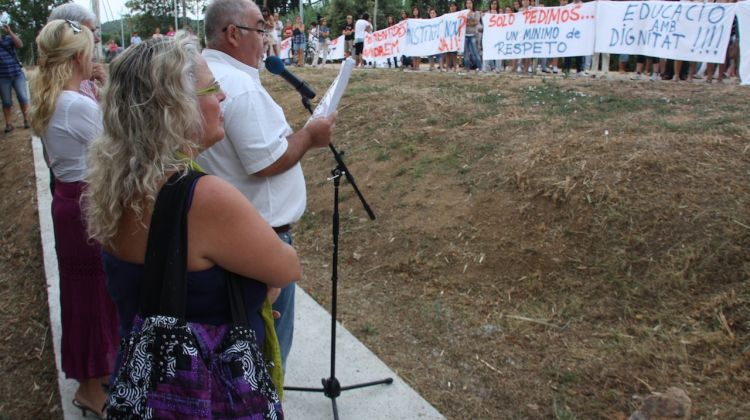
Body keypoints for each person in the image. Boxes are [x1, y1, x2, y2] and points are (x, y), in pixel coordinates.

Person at [84, 34, 299, 414]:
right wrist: (251, 288)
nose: (222, 98)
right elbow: (286, 266)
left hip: (143, 389)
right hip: (205, 398)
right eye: (212, 87)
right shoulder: (203, 198)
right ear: (175, 106)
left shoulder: (119, 183)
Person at [197, 0, 336, 372]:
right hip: (261, 238)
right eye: (260, 29)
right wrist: (310, 136)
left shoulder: (201, 74)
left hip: (227, 234)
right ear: (232, 34)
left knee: (239, 355)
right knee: (265, 357)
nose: (266, 39)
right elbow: (267, 162)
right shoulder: (239, 87)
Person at [29, 19, 119, 418]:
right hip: (87, 206)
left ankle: (93, 378)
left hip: (69, 200)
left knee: (83, 295)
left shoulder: (53, 100)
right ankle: (92, 387)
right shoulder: (77, 105)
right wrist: (108, 93)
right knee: (95, 296)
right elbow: (118, 143)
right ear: (81, 56)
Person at [48, 2, 107, 102]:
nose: (97, 39)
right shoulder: (72, 94)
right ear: (69, 35)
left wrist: (105, 81)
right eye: (90, 32)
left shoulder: (82, 81)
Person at [0, 20, 29, 133]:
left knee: (23, 97)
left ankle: (26, 120)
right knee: (6, 101)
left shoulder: (8, 39)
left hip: (17, 74)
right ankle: (8, 124)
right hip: (3, 77)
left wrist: (10, 32)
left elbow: (20, 44)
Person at [463, 0, 482, 73]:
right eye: (467, 3)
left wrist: (468, 20)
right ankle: (467, 68)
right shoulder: (463, 13)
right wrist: (469, 22)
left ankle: (480, 67)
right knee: (466, 53)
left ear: (472, 4)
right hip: (464, 35)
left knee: (475, 52)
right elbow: (462, 22)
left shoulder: (476, 13)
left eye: (470, 3)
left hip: (473, 35)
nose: (468, 5)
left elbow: (476, 22)